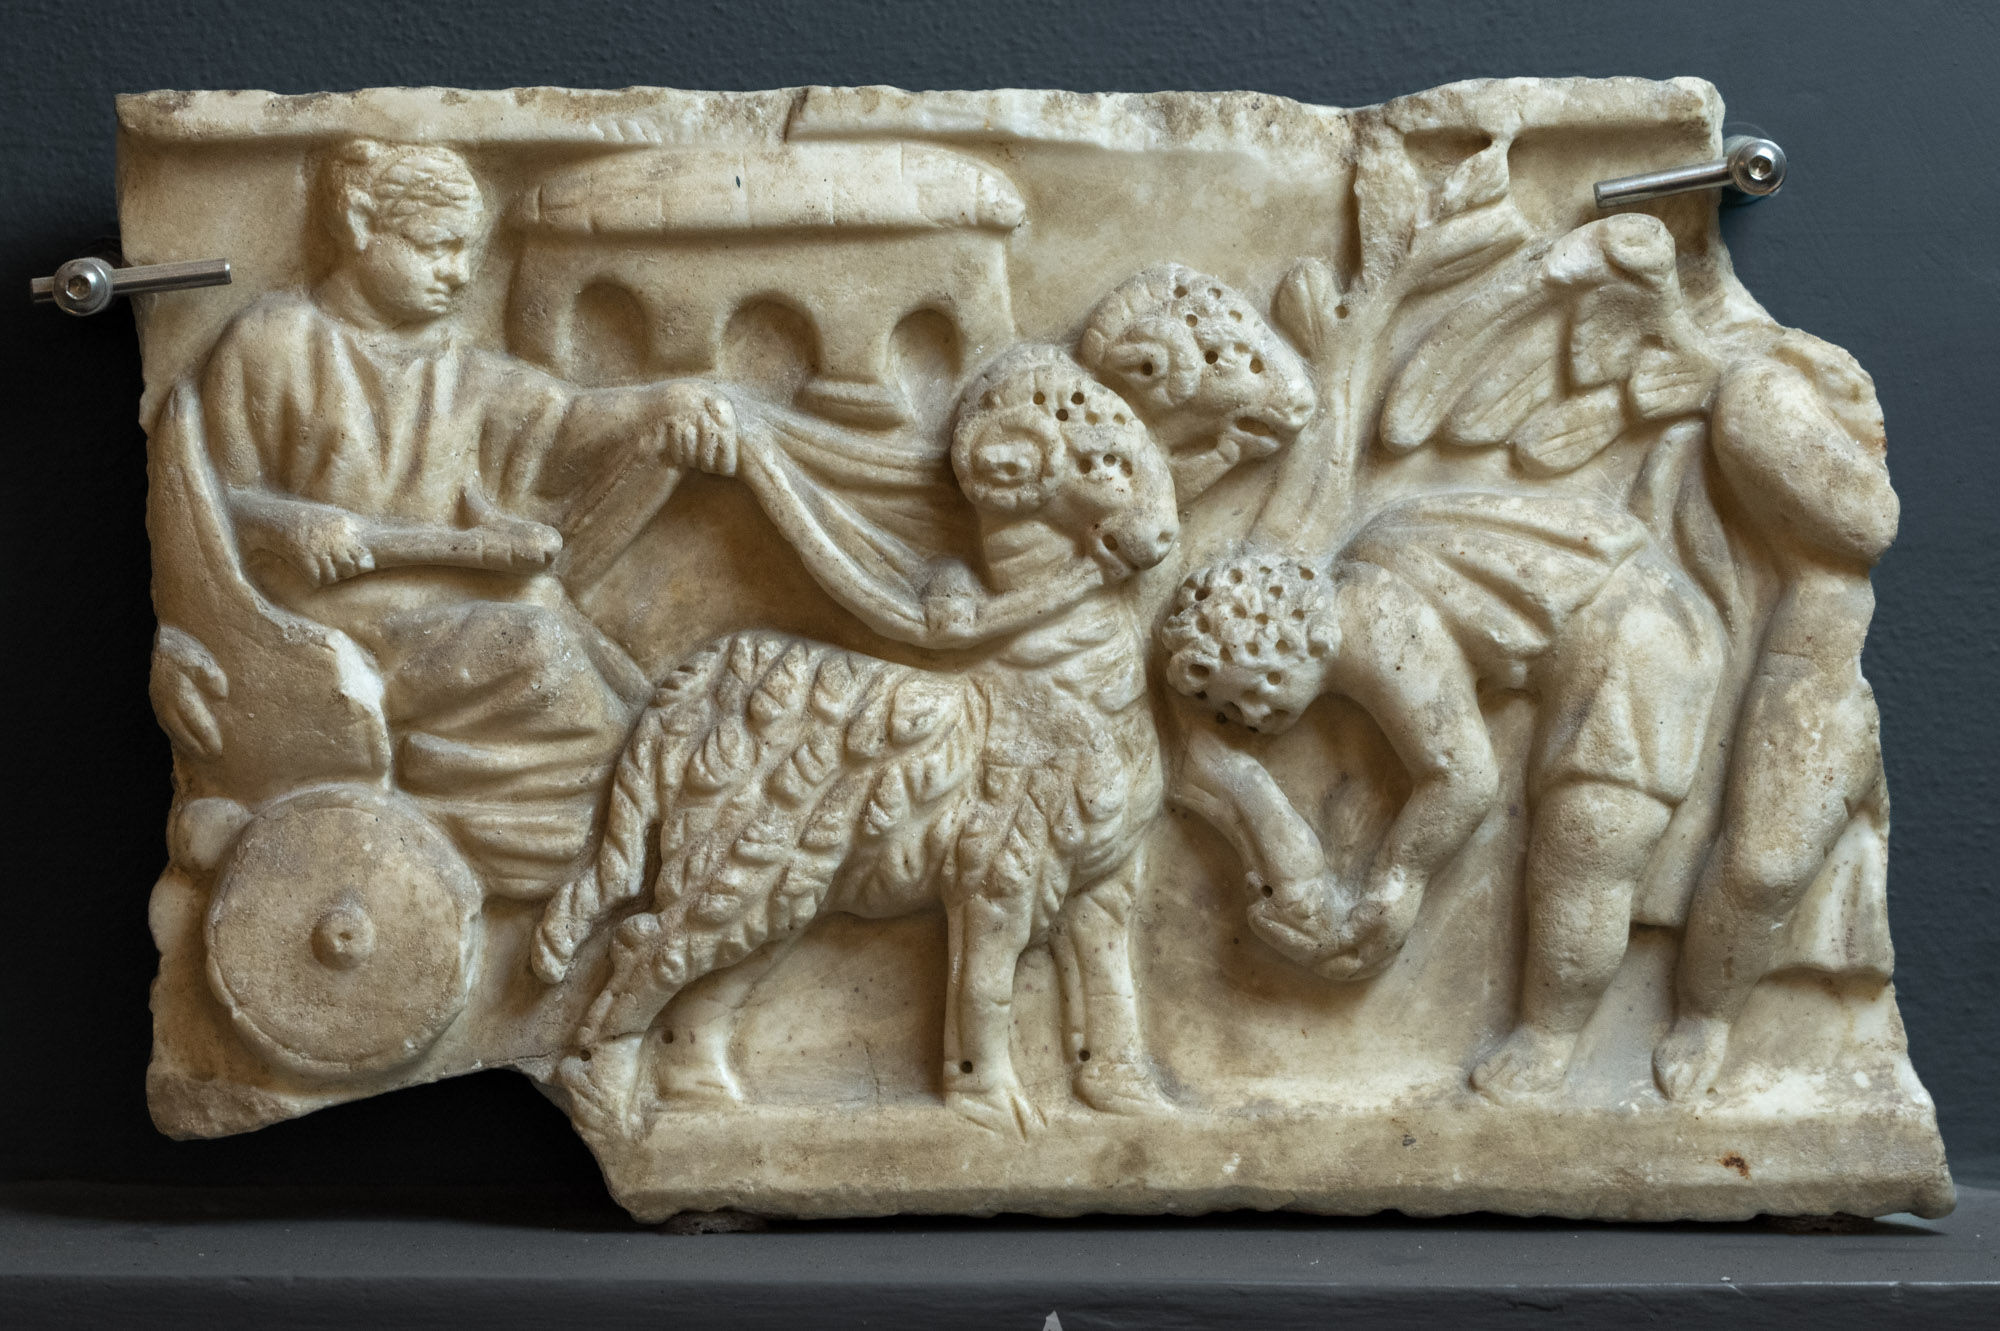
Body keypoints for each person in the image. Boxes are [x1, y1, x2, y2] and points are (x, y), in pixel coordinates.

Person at [184, 139, 737, 895]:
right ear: (359, 224)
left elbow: (563, 419)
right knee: (538, 644)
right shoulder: (274, 340)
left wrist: (662, 404)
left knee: (574, 633)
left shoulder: (458, 368)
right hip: (316, 618)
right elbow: (211, 496)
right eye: (435, 246)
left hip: (434, 597)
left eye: (467, 251)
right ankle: (548, 830)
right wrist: (287, 525)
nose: (461, 271)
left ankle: (615, 808)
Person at [1159, 492, 1724, 1099]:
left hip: (1640, 639)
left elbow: (1463, 777)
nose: (1248, 718)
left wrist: (1396, 884)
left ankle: (1549, 1041)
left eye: (1250, 694)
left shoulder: (1373, 622)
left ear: (1281, 647)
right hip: (1626, 617)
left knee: (1586, 848)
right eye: (1229, 711)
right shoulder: (1362, 583)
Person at [1652, 333, 1900, 1100]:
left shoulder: (1781, 390)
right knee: (1760, 867)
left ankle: (1711, 1015)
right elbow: (1869, 521)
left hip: (1826, 666)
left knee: (1771, 868)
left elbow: (1868, 522)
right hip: (1793, 656)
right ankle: (1703, 1013)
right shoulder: (1758, 393)